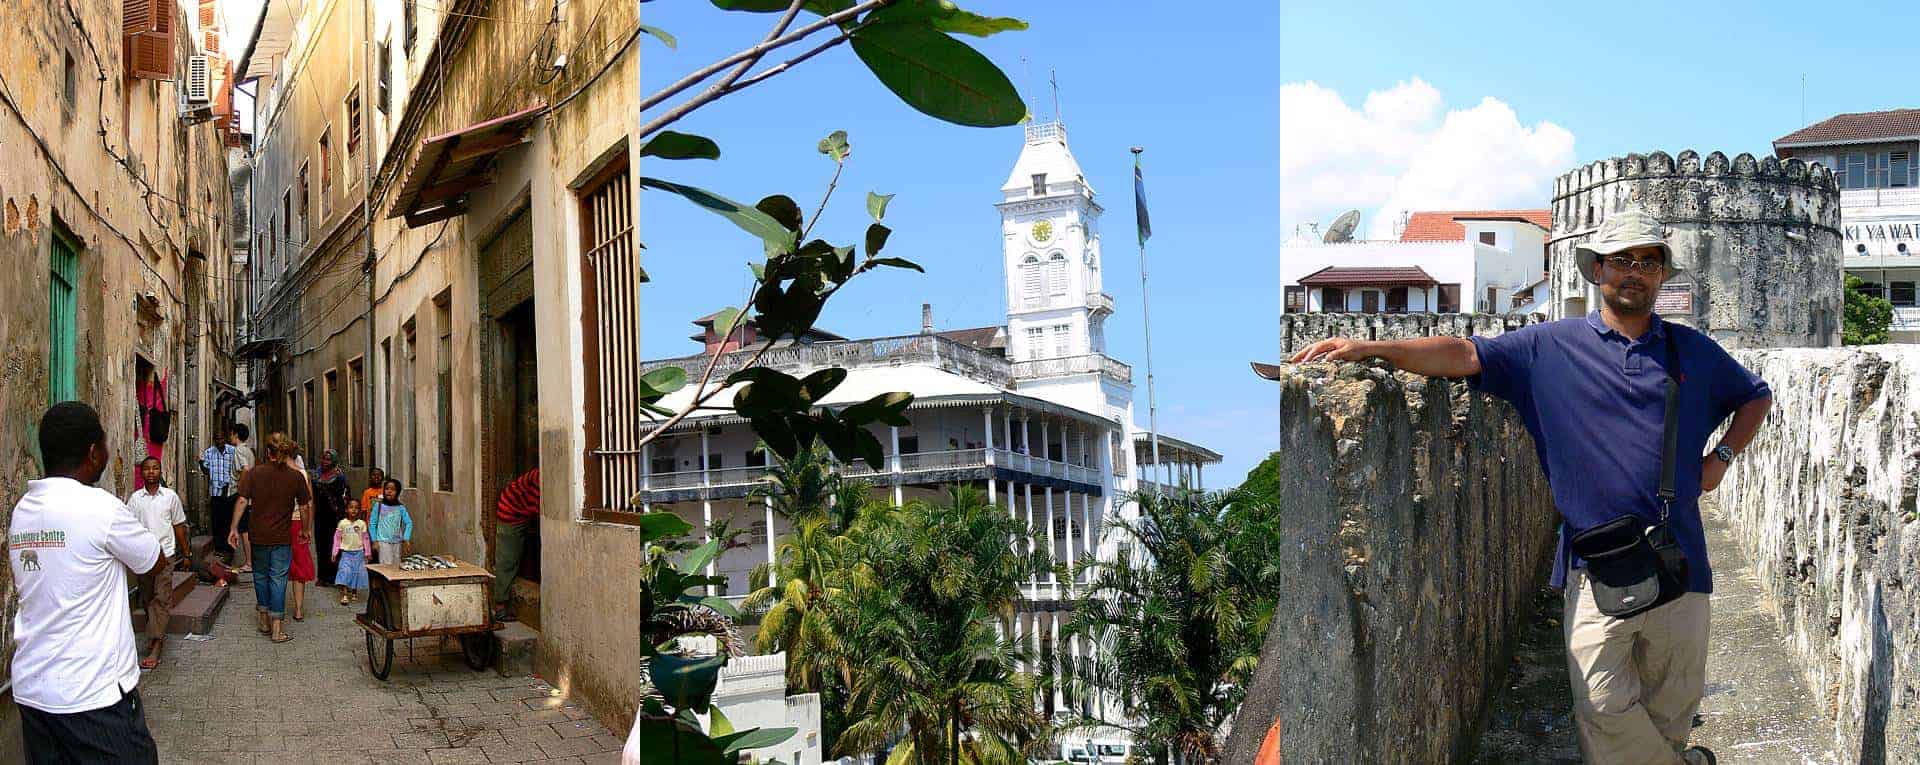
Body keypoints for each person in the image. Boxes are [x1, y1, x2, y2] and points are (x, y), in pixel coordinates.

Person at [1288, 207, 1772, 765]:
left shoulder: (1693, 352)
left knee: (1670, 713)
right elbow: (1466, 354)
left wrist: (1723, 457)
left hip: (1680, 558)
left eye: (1647, 261)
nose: (1633, 272)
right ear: (1597, 272)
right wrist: (1375, 348)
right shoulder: (1549, 347)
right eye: (1621, 261)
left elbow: (1754, 395)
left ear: (1662, 273)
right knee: (1601, 709)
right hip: (1596, 567)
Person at [9, 402, 163, 763]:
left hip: (33, 692)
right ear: (94, 453)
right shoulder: (100, 508)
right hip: (92, 695)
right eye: (105, 445)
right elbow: (154, 560)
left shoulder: (24, 510)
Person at [230, 432, 310, 643]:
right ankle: (277, 629)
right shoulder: (295, 477)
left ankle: (264, 619)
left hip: (258, 536)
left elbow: (241, 501)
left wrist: (233, 529)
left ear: (267, 453)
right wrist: (305, 529)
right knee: (278, 579)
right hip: (282, 538)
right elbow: (304, 507)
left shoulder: (254, 474)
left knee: (261, 577)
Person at [125, 457, 189, 670]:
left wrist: (186, 553)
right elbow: (128, 528)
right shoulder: (135, 500)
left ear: (160, 471)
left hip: (166, 555)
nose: (151, 472)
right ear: (141, 472)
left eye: (155, 468)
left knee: (161, 597)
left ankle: (156, 644)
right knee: (147, 598)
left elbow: (179, 526)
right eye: (147, 469)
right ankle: (156, 632)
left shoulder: (170, 497)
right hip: (143, 557)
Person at [490, 467, 541, 623]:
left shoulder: (540, 476)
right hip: (510, 513)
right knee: (507, 560)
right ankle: (500, 607)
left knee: (511, 557)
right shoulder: (540, 478)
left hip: (520, 512)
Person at [284, 441, 317, 622]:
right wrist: (307, 528)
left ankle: (275, 608)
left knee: (279, 564)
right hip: (297, 523)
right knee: (299, 566)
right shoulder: (302, 474)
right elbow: (308, 503)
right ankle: (298, 608)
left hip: (279, 524)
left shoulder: (276, 473)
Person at [310, 449, 350, 587]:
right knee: (321, 546)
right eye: (324, 459)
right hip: (320, 516)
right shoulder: (316, 475)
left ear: (334, 461)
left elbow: (344, 496)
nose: (325, 462)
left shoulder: (339, 477)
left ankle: (336, 576)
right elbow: (313, 497)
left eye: (328, 459)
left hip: (335, 515)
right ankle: (322, 576)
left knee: (335, 545)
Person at [200, 425, 240, 557]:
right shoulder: (209, 453)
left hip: (229, 493)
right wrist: (202, 465)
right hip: (216, 493)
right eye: (217, 439)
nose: (219, 441)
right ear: (214, 440)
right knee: (217, 522)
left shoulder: (233, 451)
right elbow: (205, 471)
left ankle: (229, 549)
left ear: (225, 439)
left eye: (222, 439)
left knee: (229, 521)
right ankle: (219, 548)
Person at [229, 423, 257, 573]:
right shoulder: (249, 450)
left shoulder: (239, 450)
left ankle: (249, 562)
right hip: (250, 492)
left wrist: (241, 488)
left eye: (231, 434)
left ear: (235, 434)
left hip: (244, 493)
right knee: (247, 528)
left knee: (244, 528)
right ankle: (251, 560)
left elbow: (245, 469)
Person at [333, 498, 371, 605]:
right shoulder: (342, 523)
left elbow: (366, 539)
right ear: (346, 509)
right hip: (346, 553)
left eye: (356, 508)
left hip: (359, 553)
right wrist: (334, 552)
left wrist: (368, 553)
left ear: (359, 510)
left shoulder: (362, 524)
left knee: (357, 573)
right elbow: (337, 539)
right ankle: (345, 595)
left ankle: (354, 592)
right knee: (345, 571)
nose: (353, 510)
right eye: (351, 507)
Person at [369, 477, 413, 565]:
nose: (389, 491)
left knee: (396, 566)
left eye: (393, 489)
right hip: (383, 542)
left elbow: (409, 523)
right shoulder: (378, 505)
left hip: (397, 542)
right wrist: (374, 541)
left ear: (398, 492)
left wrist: (406, 538)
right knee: (386, 566)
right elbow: (372, 524)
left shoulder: (401, 507)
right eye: (387, 489)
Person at [359, 467, 386, 533]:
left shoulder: (385, 492)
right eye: (374, 475)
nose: (376, 477)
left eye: (379, 475)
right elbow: (364, 510)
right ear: (370, 478)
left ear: (383, 478)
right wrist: (363, 525)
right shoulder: (367, 492)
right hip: (370, 525)